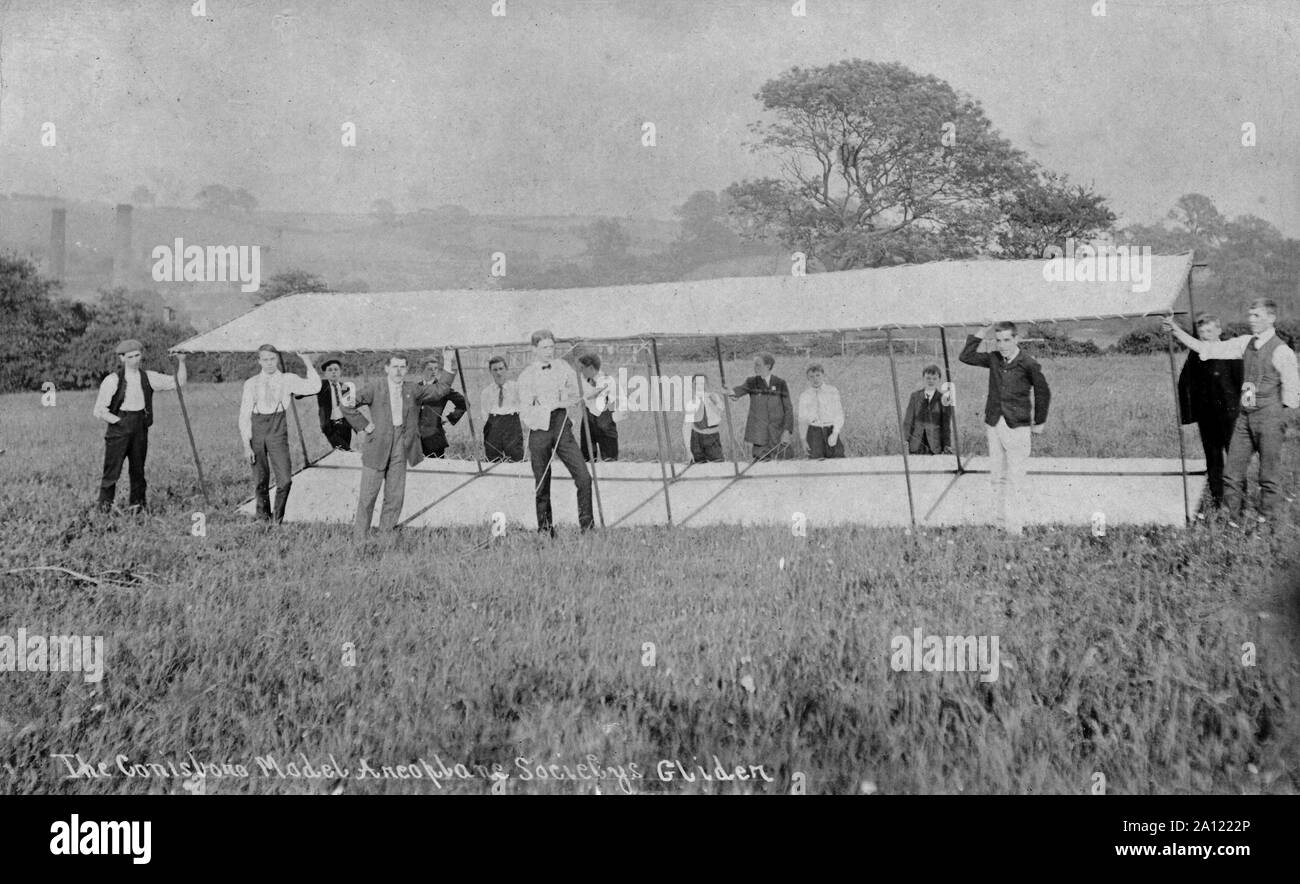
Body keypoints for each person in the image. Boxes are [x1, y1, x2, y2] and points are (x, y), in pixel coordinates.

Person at [1164, 299, 1299, 525]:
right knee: (1231, 473)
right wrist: (1175, 328)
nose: (1251, 320)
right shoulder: (1245, 343)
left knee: (1268, 476)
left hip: (1269, 417)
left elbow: (1292, 396)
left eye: (1256, 316)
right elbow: (1206, 348)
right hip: (1244, 419)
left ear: (1271, 318)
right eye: (1250, 315)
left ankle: (1268, 522)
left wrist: (1268, 409)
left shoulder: (1282, 351)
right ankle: (1232, 520)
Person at [343, 351, 456, 539]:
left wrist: (449, 361)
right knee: (368, 496)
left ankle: (385, 538)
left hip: (401, 446)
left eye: (402, 367)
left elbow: (441, 390)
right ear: (387, 368)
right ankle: (359, 540)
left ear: (407, 369)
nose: (398, 371)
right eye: (395, 367)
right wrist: (364, 425)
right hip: (376, 446)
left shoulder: (412, 389)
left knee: (394, 496)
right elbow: (346, 404)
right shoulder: (374, 387)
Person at [959, 322, 1051, 535]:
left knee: (1016, 478)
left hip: (1017, 426)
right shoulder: (993, 359)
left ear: (1016, 339)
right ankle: (1000, 525)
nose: (1002, 345)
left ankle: (1015, 529)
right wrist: (983, 331)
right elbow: (966, 356)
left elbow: (1042, 391)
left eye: (1007, 340)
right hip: (994, 423)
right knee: (997, 476)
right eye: (998, 340)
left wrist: (1039, 421)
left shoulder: (1028, 363)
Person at [92, 338, 187, 513]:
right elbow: (99, 410)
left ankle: (138, 510)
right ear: (122, 358)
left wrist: (181, 362)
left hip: (140, 428)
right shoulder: (112, 380)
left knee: (138, 471)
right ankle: (103, 511)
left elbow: (179, 382)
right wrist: (119, 422)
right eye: (130, 357)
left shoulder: (148, 377)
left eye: (137, 355)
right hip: (119, 429)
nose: (135, 360)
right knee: (111, 473)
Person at [517, 330, 594, 535]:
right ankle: (545, 531)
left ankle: (587, 528)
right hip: (539, 429)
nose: (549, 352)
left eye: (551, 347)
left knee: (584, 477)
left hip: (562, 425)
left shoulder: (562, 366)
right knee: (542, 481)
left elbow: (580, 389)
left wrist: (591, 391)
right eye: (544, 348)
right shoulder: (526, 376)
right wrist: (549, 407)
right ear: (534, 350)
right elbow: (526, 412)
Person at [238, 345, 320, 524]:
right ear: (259, 361)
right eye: (265, 359)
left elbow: (315, 386)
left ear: (277, 359)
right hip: (257, 433)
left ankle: (277, 519)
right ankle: (262, 518)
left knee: (285, 480)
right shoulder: (251, 383)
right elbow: (244, 416)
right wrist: (247, 445)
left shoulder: (287, 379)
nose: (269, 363)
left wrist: (306, 360)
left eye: (272, 359)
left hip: (278, 432)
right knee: (261, 479)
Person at [1176, 315, 1242, 511]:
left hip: (1231, 416)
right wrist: (1189, 417)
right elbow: (1184, 382)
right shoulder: (1195, 354)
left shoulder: (1231, 350)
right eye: (1202, 332)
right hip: (1207, 417)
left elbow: (1241, 381)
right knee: (1213, 460)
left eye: (1210, 331)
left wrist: (1244, 411)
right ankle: (1217, 501)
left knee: (1234, 459)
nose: (1205, 336)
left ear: (1219, 331)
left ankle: (1238, 503)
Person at [729, 352, 793, 461]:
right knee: (760, 466)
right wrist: (729, 391)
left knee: (783, 465)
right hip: (759, 437)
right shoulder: (751, 382)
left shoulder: (780, 383)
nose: (755, 368)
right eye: (754, 365)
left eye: (758, 365)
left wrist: (787, 431)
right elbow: (737, 392)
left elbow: (788, 409)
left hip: (778, 434)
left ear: (768, 366)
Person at [298, 358, 354, 452]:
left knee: (342, 453)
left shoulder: (345, 387)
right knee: (346, 450)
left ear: (340, 372)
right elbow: (304, 392)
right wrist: (297, 392)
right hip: (330, 425)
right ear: (325, 373)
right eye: (330, 370)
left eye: (336, 370)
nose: (333, 372)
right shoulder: (321, 385)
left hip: (345, 425)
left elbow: (350, 408)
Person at [417, 357, 468, 458]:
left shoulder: (442, 388)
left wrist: (449, 418)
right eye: (430, 369)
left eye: (436, 368)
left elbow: (464, 403)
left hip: (434, 439)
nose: (434, 371)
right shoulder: (415, 387)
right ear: (422, 370)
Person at [577, 353, 624, 461]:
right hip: (588, 417)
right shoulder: (583, 380)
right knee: (587, 451)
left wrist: (584, 398)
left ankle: (609, 458)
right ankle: (589, 459)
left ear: (591, 368)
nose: (580, 371)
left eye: (582, 368)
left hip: (604, 417)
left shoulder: (606, 379)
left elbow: (597, 392)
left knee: (608, 453)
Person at [479, 356, 524, 462]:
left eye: (501, 369)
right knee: (492, 460)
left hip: (512, 425)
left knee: (515, 459)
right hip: (493, 426)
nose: (498, 373)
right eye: (495, 370)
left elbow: (525, 406)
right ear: (490, 372)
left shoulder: (516, 388)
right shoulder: (486, 392)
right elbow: (485, 413)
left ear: (506, 369)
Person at [903, 364, 955, 455]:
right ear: (923, 378)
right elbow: (908, 419)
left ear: (939, 380)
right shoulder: (915, 396)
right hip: (916, 444)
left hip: (935, 445)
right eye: (928, 378)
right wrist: (905, 439)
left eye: (934, 378)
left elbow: (946, 425)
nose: (931, 381)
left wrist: (947, 444)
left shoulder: (944, 399)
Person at [797, 363, 845, 459]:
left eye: (818, 375)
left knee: (837, 460)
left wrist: (835, 433)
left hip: (830, 430)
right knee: (815, 463)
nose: (815, 379)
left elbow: (839, 414)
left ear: (823, 375)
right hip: (814, 433)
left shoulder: (832, 391)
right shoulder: (805, 395)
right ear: (808, 379)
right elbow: (802, 419)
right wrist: (803, 440)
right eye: (811, 376)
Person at [682, 373, 726, 463]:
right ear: (692, 386)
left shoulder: (713, 397)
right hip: (696, 437)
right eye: (696, 384)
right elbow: (686, 426)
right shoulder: (691, 402)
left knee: (718, 462)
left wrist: (716, 403)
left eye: (702, 383)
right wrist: (688, 449)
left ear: (707, 384)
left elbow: (721, 410)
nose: (699, 386)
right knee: (698, 463)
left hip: (712, 436)